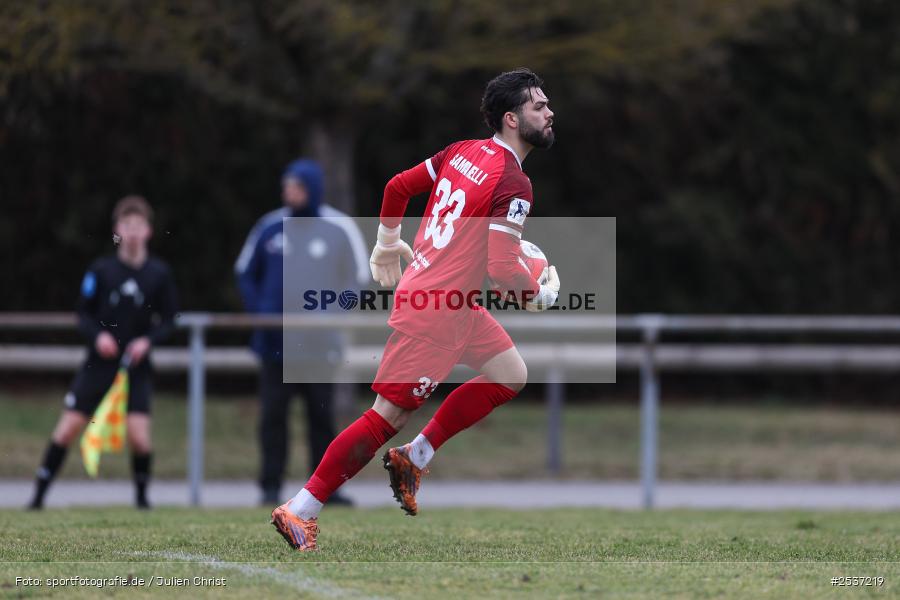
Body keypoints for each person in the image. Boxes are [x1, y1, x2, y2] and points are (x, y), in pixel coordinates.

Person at [271, 68, 561, 550]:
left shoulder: (461, 152)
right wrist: (537, 294)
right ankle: (301, 508)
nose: (549, 112)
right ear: (512, 119)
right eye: (538, 106)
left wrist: (388, 242)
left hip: (451, 302)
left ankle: (415, 457)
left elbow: (397, 187)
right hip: (438, 311)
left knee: (510, 373)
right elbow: (503, 268)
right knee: (385, 417)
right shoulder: (514, 182)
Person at [28, 195, 178, 510]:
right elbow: (82, 314)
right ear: (118, 230)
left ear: (148, 231)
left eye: (140, 225)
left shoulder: (159, 274)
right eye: (128, 225)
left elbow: (168, 319)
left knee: (139, 436)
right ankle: (38, 496)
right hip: (99, 364)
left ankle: (141, 501)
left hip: (135, 367)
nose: (134, 231)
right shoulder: (101, 270)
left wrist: (146, 341)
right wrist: (98, 338)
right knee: (68, 427)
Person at [235, 158, 368, 506]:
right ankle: (269, 487)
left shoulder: (339, 228)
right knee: (273, 419)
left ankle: (327, 489)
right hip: (275, 347)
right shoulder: (269, 227)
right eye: (286, 186)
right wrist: (261, 313)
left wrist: (333, 313)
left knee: (321, 419)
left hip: (319, 348)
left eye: (295, 186)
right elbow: (244, 273)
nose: (288, 192)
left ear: (311, 189)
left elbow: (359, 281)